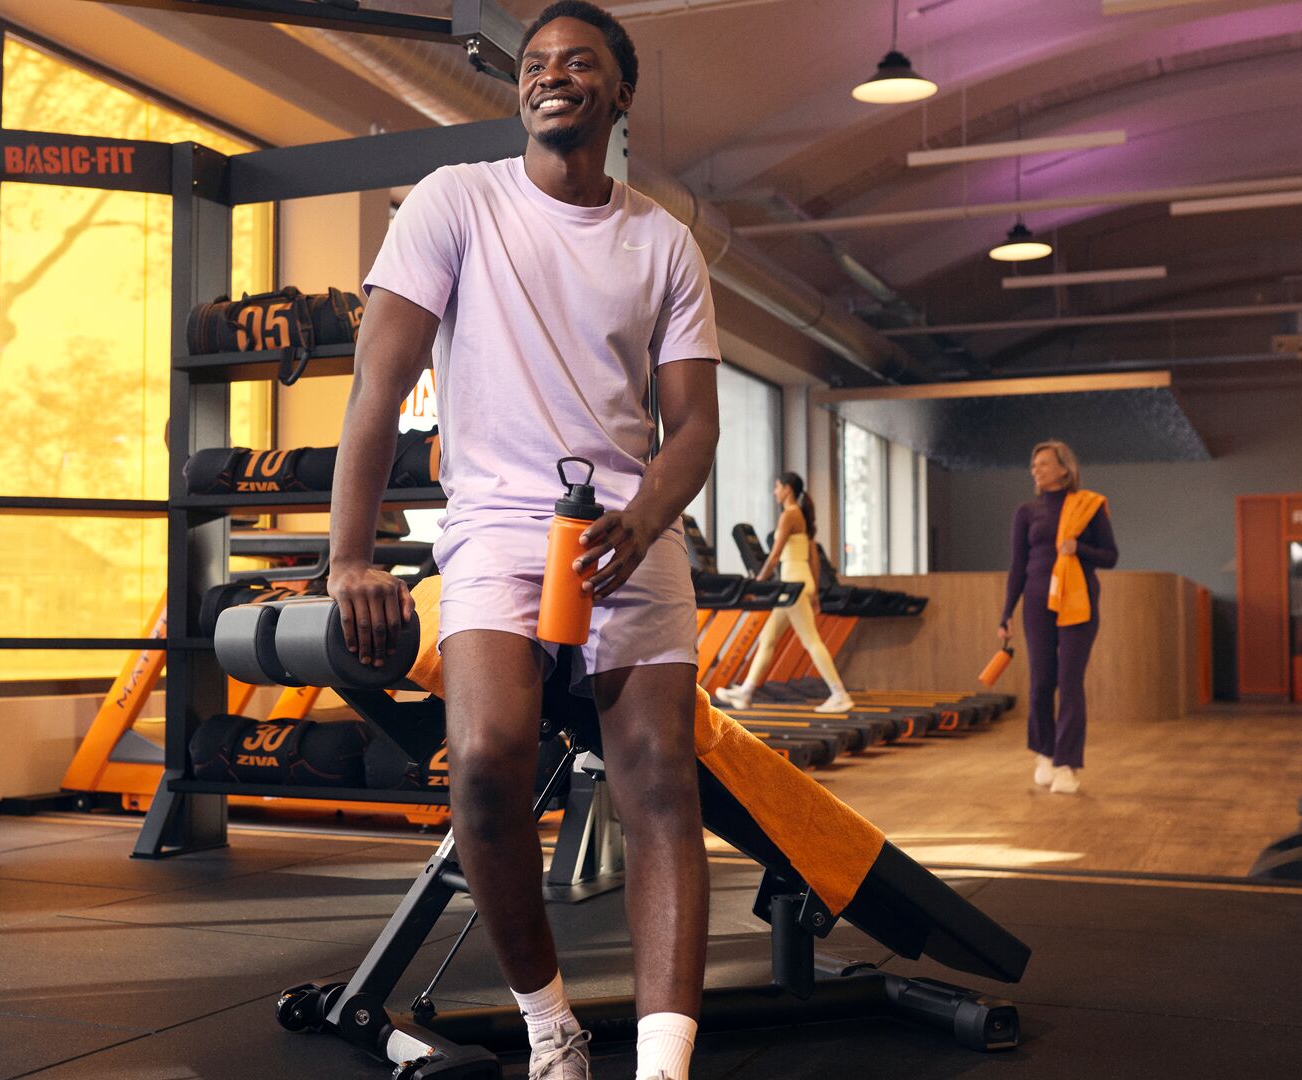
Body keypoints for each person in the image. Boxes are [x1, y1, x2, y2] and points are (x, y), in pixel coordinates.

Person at [323, 4, 719, 1077]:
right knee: (490, 764)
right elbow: (379, 385)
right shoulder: (458, 201)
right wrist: (349, 558)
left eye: (578, 62)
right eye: (536, 63)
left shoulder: (663, 242)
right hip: (497, 523)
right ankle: (553, 1029)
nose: (551, 76)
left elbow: (694, 429)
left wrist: (645, 522)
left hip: (627, 533)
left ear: (619, 92)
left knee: (657, 781)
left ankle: (663, 1066)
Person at [999, 440, 1117, 795]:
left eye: (1044, 464)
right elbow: (1017, 566)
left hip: (1078, 602)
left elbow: (1110, 556)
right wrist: (1006, 612)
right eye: (1034, 465)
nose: (1036, 470)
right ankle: (1045, 754)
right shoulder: (1026, 511)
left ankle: (1067, 763)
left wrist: (1077, 548)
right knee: (1040, 682)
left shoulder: (1089, 506)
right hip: (1036, 602)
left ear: (1065, 468)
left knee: (1070, 682)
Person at [713, 472, 855, 714]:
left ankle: (839, 693)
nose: (774, 492)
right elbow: (813, 558)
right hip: (800, 582)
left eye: (777, 487)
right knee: (767, 639)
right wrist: (815, 592)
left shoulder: (789, 516)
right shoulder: (802, 516)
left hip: (792, 584)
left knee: (811, 640)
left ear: (788, 489)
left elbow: (775, 555)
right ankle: (746, 692)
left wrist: (758, 582)